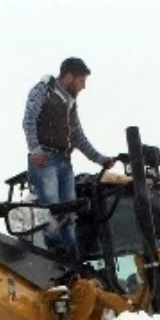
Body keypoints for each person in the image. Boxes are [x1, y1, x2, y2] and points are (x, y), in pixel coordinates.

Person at [22, 57, 116, 262]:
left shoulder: (70, 104)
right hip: (45, 159)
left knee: (69, 213)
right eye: (81, 81)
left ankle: (72, 258)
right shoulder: (42, 91)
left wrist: (100, 159)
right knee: (52, 209)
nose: (83, 87)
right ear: (70, 76)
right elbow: (29, 120)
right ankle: (56, 252)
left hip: (64, 161)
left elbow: (77, 136)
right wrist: (35, 149)